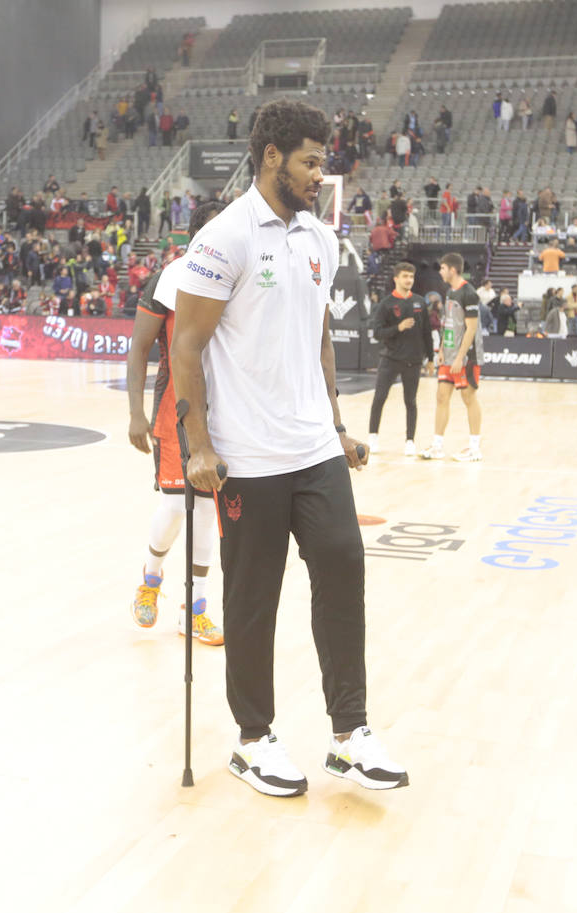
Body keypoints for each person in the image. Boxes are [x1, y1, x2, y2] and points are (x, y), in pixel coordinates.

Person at [170, 98, 408, 797]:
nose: (319, 174)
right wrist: (198, 445)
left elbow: (318, 340)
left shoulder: (320, 239)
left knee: (342, 570)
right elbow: (186, 345)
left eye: (322, 162)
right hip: (246, 457)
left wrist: (335, 426)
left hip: (313, 448)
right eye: (309, 161)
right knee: (252, 600)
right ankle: (253, 740)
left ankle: (350, 735)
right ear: (271, 156)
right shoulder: (222, 238)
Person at [124, 201, 226, 646]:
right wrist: (134, 413)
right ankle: (150, 580)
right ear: (197, 235)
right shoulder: (170, 277)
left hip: (222, 411)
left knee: (206, 511)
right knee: (172, 506)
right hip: (174, 408)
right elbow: (139, 348)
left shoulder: (237, 277)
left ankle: (194, 610)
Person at [421, 252, 482, 461]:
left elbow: (471, 329)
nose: (440, 271)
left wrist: (459, 357)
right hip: (448, 355)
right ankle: (437, 445)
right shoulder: (449, 292)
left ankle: (475, 448)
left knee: (468, 397)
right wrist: (442, 352)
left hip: (466, 357)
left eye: (443, 268)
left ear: (453, 269)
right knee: (441, 396)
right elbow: (448, 324)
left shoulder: (470, 293)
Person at [368, 261, 432, 456]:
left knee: (410, 401)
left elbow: (427, 332)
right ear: (396, 279)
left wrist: (430, 358)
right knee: (379, 398)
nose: (409, 280)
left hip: (413, 361)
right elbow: (377, 332)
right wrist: (398, 327)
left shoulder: (420, 302)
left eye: (411, 277)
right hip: (390, 359)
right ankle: (373, 437)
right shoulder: (386, 304)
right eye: (405, 276)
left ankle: (410, 441)